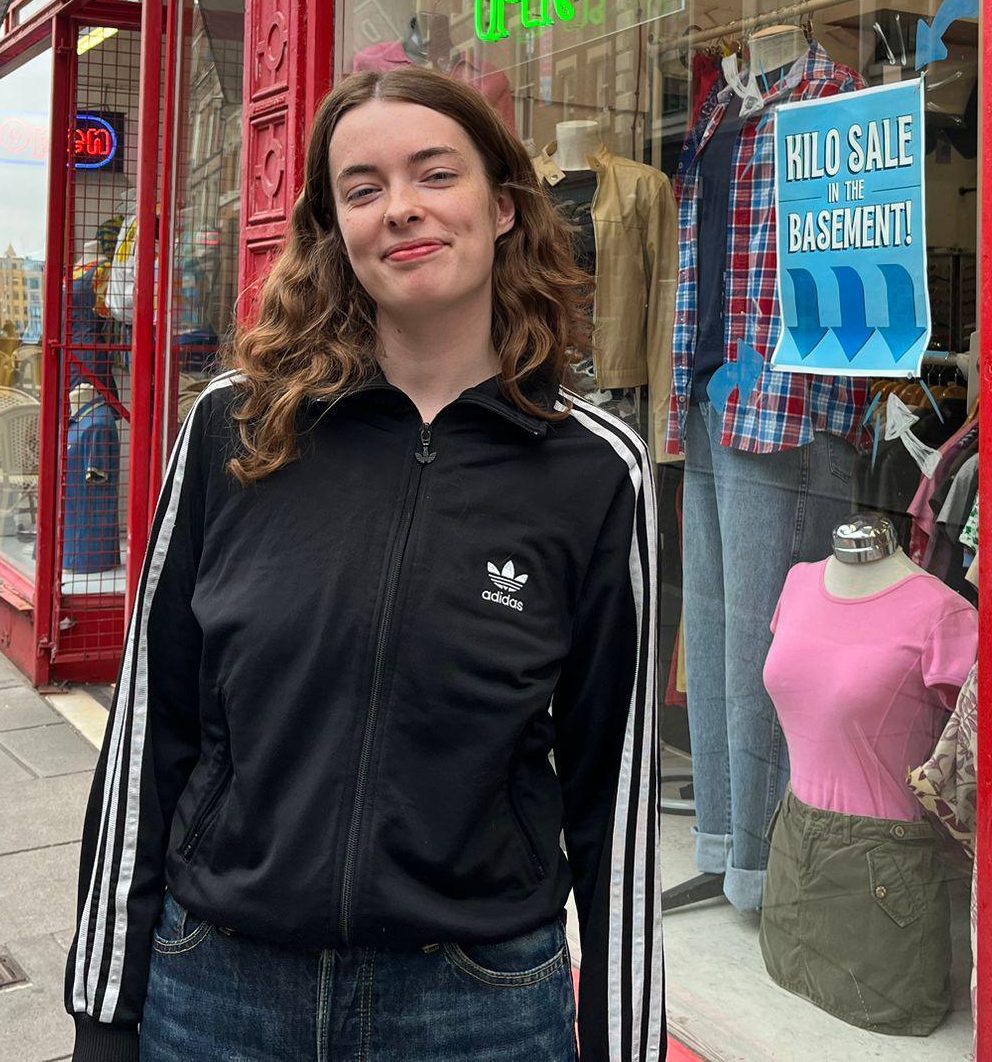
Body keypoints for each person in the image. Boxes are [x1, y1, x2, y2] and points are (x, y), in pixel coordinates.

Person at [65, 67, 666, 1062]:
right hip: (219, 993)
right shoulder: (232, 429)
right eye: (363, 188)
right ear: (333, 229)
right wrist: (104, 1009)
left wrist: (621, 1044)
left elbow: (618, 796)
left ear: (502, 207)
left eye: (436, 174)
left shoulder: (597, 470)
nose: (401, 209)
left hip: (476, 1007)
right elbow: (147, 735)